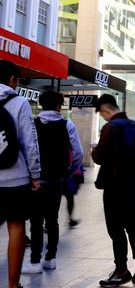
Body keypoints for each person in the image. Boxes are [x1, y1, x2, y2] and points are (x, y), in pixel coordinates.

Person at [23, 90, 83, 274]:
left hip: (35, 181)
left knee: (35, 222)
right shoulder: (67, 125)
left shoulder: (32, 124)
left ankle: (34, 261)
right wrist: (69, 171)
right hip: (57, 180)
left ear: (41, 104)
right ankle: (50, 258)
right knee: (52, 220)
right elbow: (78, 153)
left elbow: (26, 148)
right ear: (59, 105)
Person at [92, 94, 135, 286]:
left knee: (116, 229)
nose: (103, 117)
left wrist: (94, 149)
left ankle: (121, 269)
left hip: (114, 186)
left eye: (102, 114)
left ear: (106, 110)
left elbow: (99, 157)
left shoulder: (110, 128)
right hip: (133, 185)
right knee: (133, 225)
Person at [0, 60, 41, 288]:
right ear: (12, 80)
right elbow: (29, 142)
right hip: (15, 178)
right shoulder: (19, 102)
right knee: (16, 226)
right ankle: (13, 285)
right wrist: (35, 175)